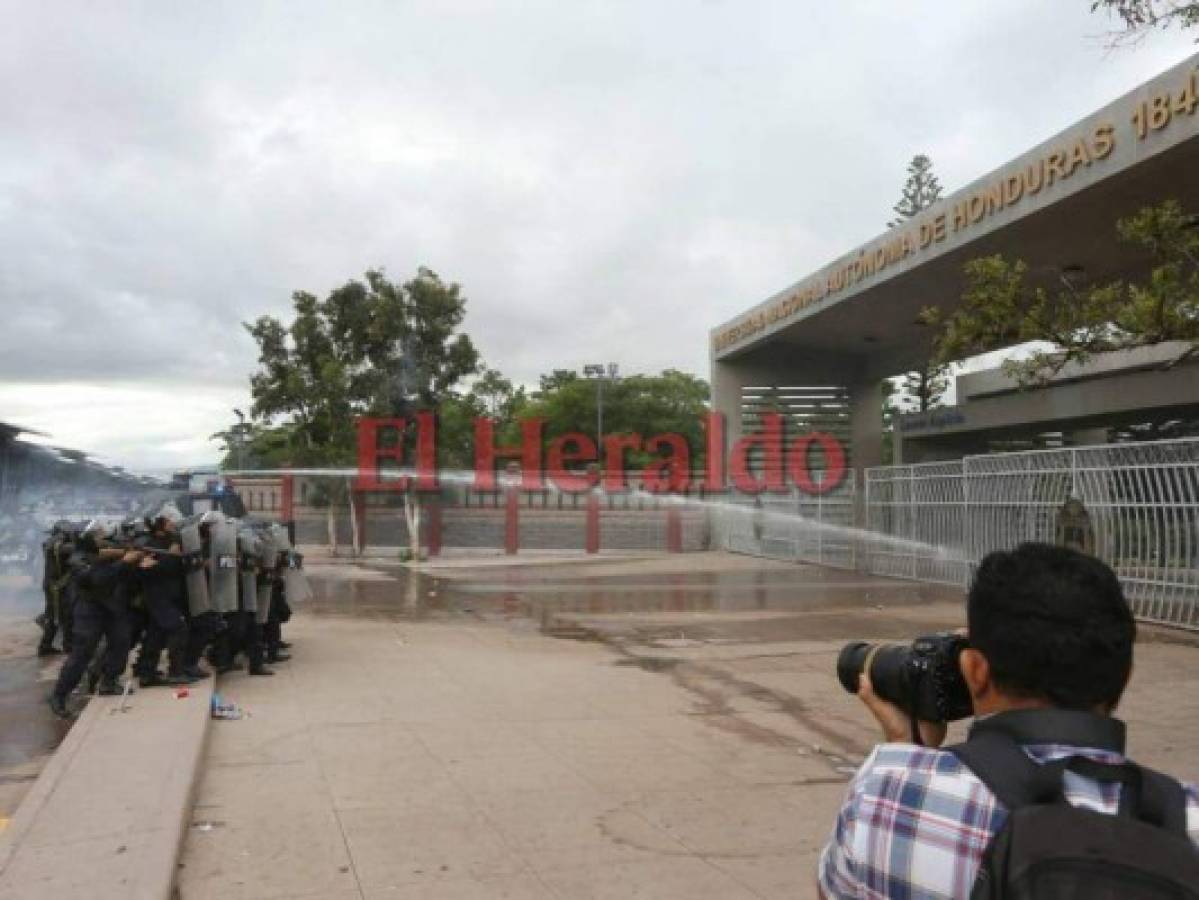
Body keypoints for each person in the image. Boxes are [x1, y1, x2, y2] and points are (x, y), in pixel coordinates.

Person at [818, 542, 1199, 899]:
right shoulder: (1186, 820)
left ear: (976, 671)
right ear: (1125, 673)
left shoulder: (886, 794)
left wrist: (911, 749)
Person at [48, 521, 139, 718]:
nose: (104, 541)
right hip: (89, 610)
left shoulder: (107, 553)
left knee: (122, 642)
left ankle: (109, 681)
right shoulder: (77, 559)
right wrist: (123, 562)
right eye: (99, 538)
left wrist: (134, 560)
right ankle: (59, 696)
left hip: (111, 606)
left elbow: (120, 575)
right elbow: (96, 579)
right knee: (82, 653)